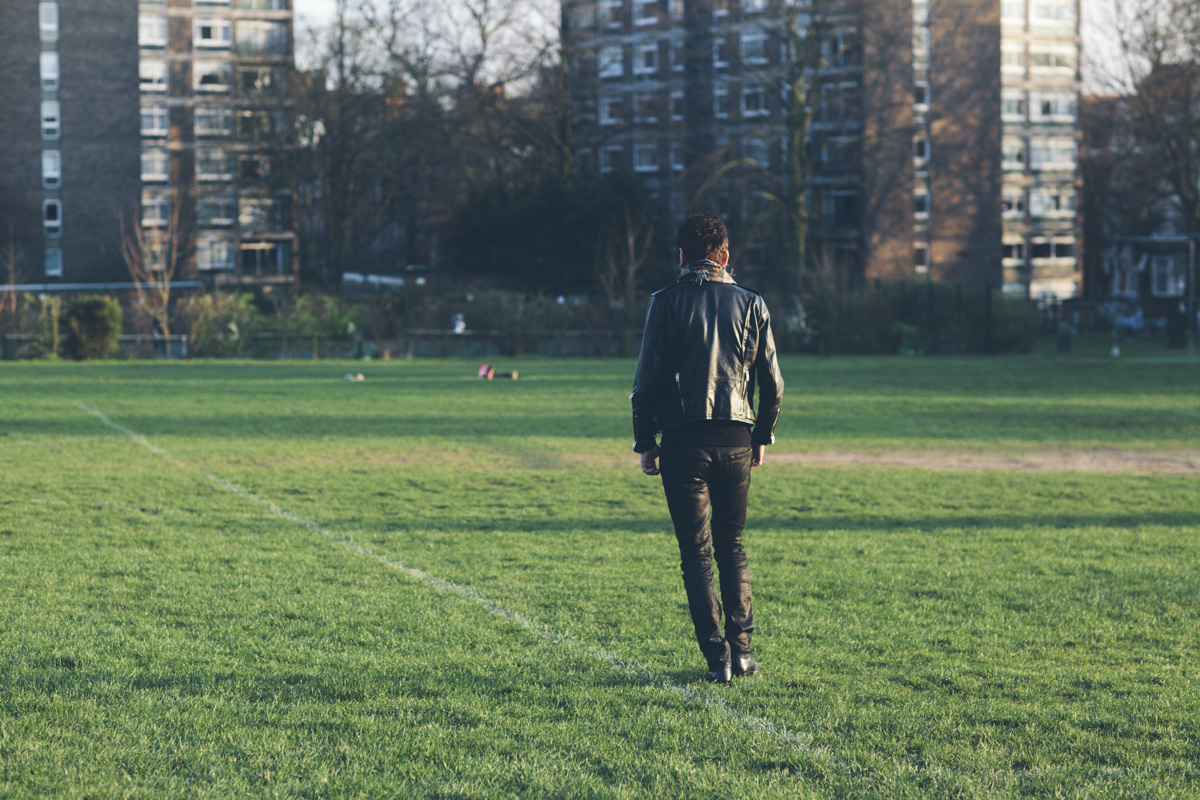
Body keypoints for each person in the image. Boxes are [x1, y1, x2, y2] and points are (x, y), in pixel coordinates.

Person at [630, 212, 783, 684]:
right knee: (731, 546)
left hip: (682, 441)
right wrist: (761, 436)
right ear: (726, 254)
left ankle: (717, 659)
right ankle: (742, 653)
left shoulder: (665, 302)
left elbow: (645, 383)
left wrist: (645, 442)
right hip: (736, 439)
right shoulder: (752, 302)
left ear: (680, 256)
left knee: (695, 553)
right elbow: (773, 383)